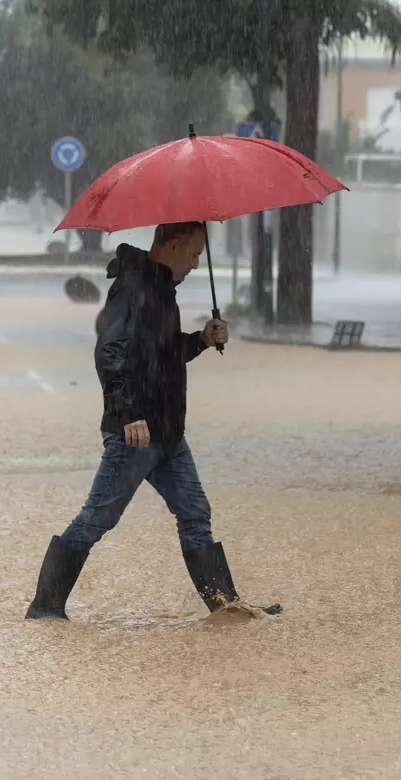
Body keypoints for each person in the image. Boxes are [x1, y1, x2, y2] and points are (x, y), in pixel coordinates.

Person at [25, 221, 282, 620]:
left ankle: (225, 607)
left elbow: (160, 355)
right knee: (96, 518)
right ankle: (45, 609)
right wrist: (129, 413)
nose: (196, 264)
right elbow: (109, 353)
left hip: (168, 434)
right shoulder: (132, 289)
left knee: (195, 514)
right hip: (136, 434)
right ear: (173, 245)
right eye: (193, 254)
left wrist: (200, 339)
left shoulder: (161, 290)